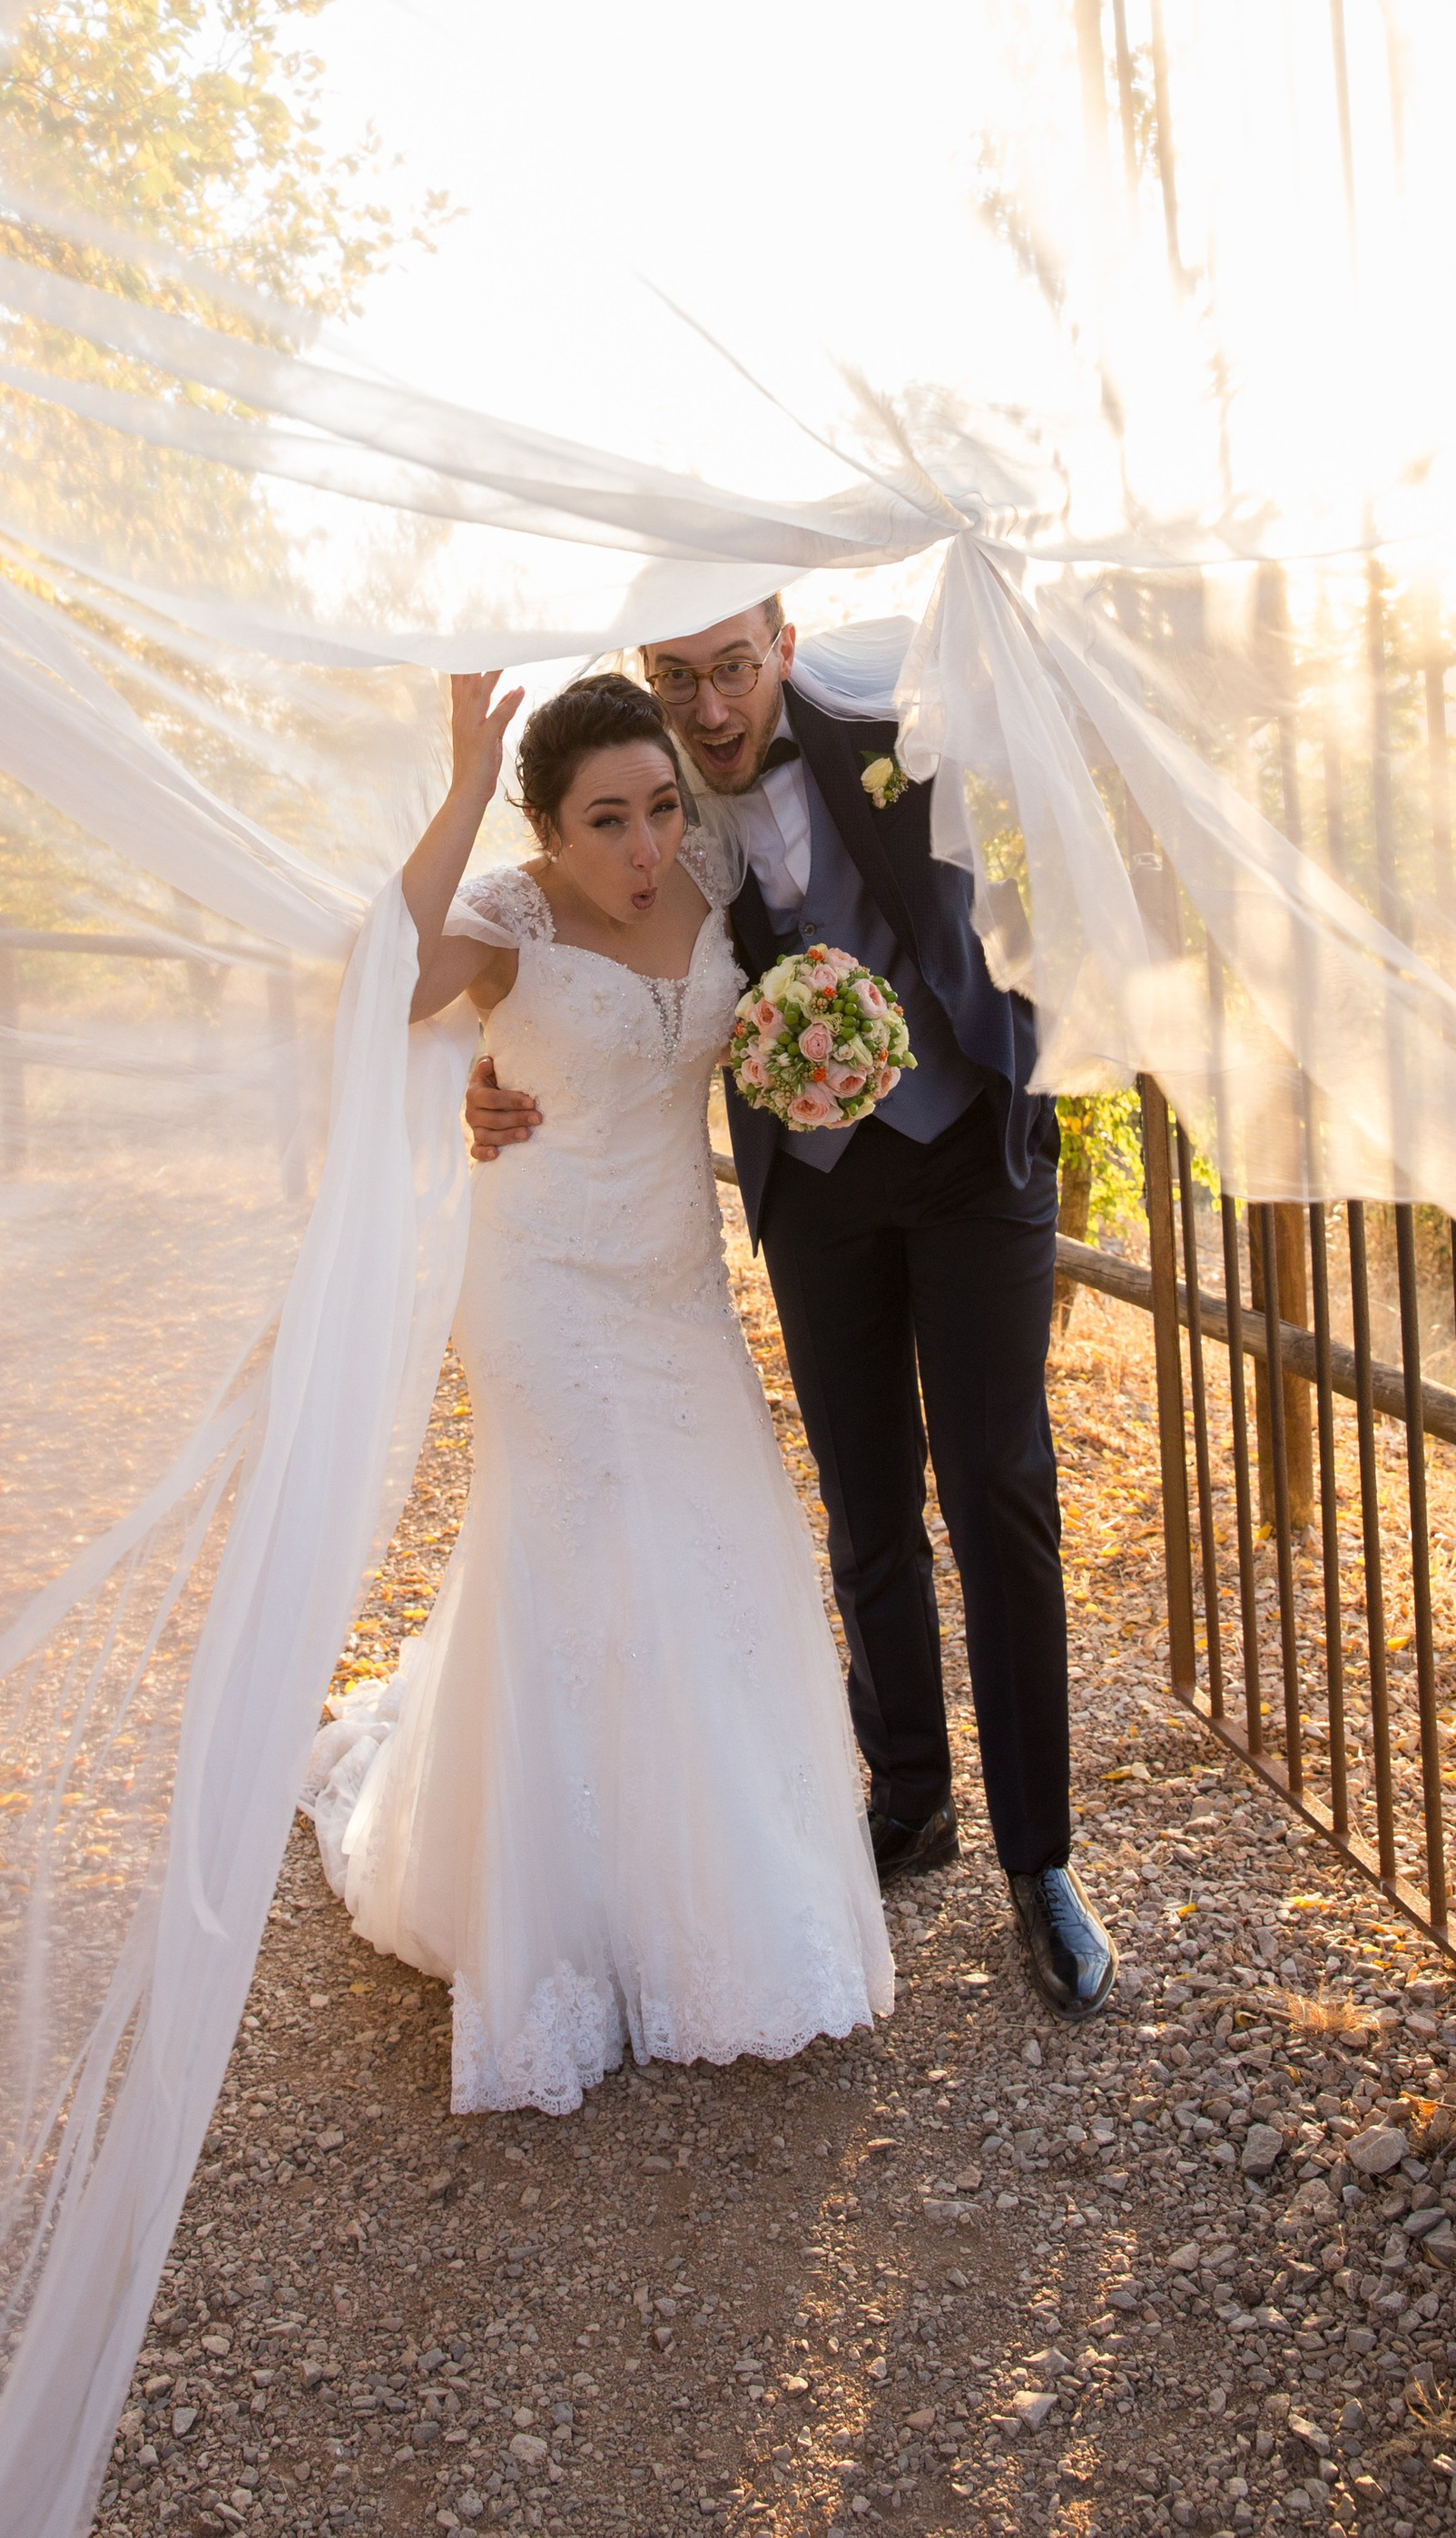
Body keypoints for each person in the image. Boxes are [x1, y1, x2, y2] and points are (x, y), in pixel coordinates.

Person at [467, 598, 1116, 2022]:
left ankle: (1041, 1861)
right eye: (677, 679)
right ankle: (909, 1798)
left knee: (998, 1488)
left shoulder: (898, 714)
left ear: (784, 639)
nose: (709, 710)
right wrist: (494, 1066)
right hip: (815, 1187)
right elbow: (566, 936)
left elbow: (1049, 805)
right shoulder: (656, 800)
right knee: (865, 1505)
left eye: (732, 670)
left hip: (970, 1150)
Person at [301, 669, 893, 2114]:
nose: (644, 847)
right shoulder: (508, 921)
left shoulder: (713, 875)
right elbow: (385, 988)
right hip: (543, 1278)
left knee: (716, 1550)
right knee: (581, 1549)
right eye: (607, 821)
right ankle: (565, 1919)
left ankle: (717, 1893)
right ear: (550, 831)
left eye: (659, 809)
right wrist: (464, 779)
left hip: (675, 1282)